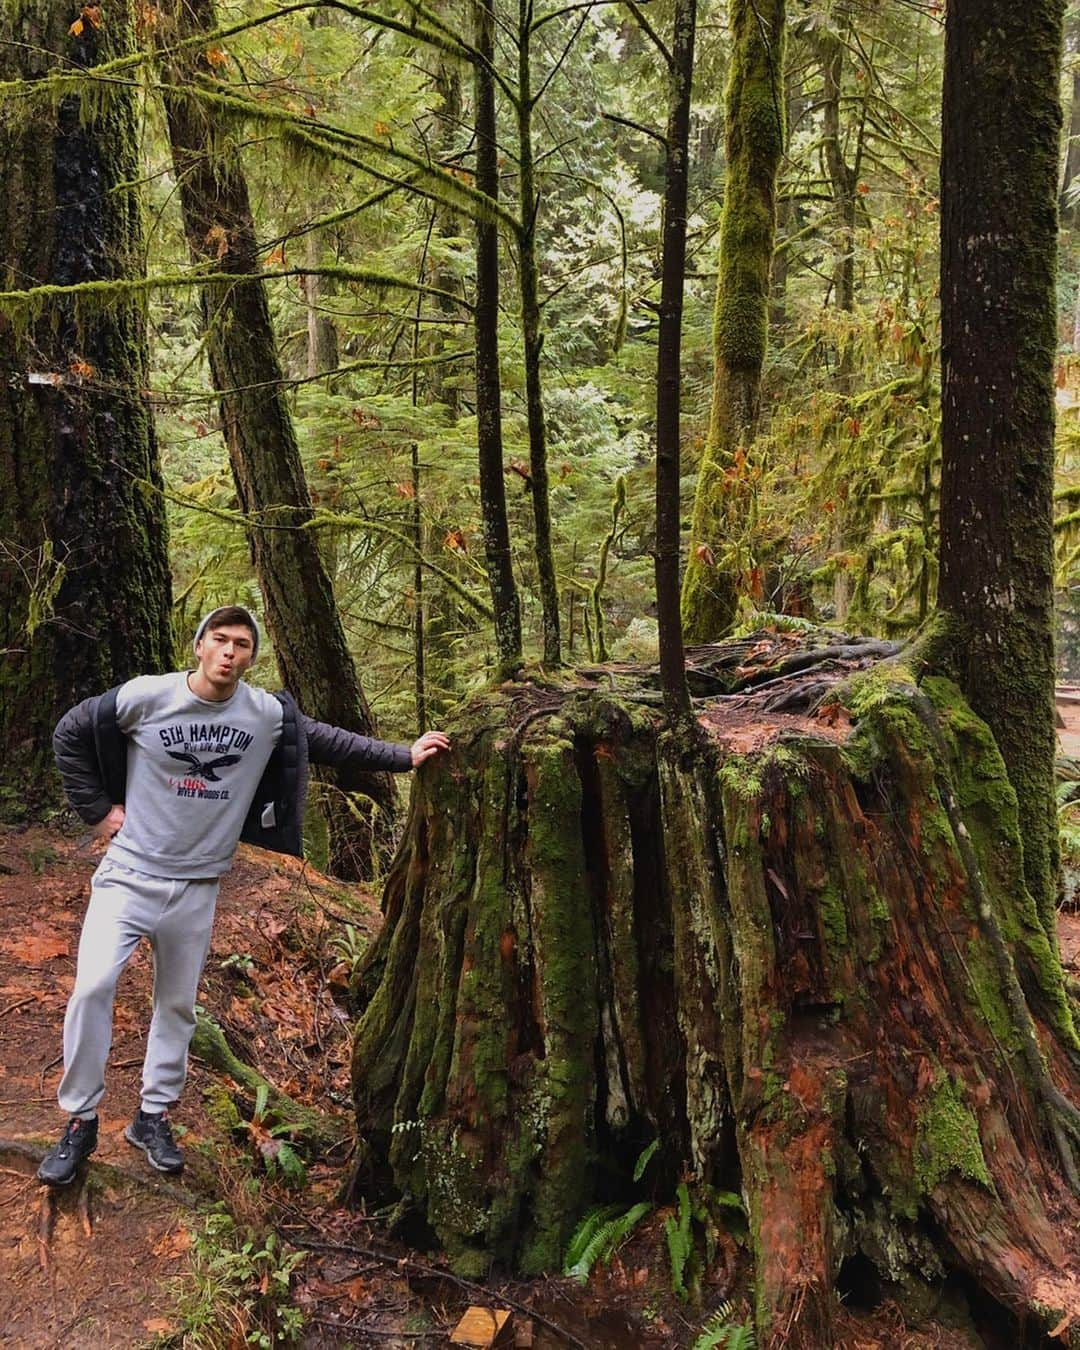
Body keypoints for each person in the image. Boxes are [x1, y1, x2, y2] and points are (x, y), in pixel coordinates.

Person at [37, 605, 449, 1185]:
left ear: (252, 657)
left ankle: (152, 1118)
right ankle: (79, 1122)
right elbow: (71, 732)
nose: (230, 652)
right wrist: (98, 811)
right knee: (93, 988)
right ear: (199, 646)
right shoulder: (145, 697)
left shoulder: (263, 714)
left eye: (243, 645)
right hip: (129, 874)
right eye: (220, 640)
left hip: (199, 884)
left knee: (176, 1005)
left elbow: (327, 742)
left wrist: (403, 755)